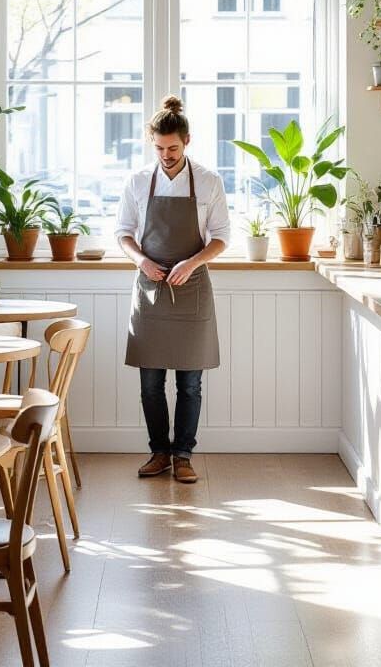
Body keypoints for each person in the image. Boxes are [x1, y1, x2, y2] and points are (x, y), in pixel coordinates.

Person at [116, 95, 230, 484]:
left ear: (187, 142)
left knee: (190, 384)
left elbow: (221, 237)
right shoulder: (137, 182)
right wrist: (141, 261)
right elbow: (123, 233)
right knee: (150, 385)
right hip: (150, 289)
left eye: (173, 149)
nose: (166, 156)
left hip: (191, 287)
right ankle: (159, 453)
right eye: (160, 149)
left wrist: (192, 262)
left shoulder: (209, 182)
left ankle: (183, 455)